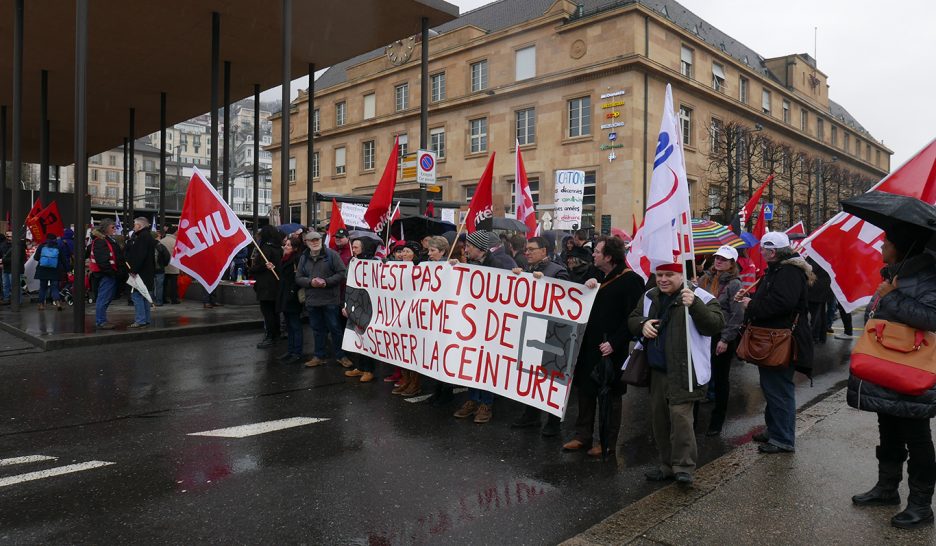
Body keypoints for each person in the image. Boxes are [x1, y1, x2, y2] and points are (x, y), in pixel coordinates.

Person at [847, 229, 936, 529]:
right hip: (887, 364)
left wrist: (892, 296)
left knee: (917, 436)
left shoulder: (927, 276)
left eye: (886, 243)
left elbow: (931, 318)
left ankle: (921, 505)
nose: (881, 247)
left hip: (913, 368)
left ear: (901, 247)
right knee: (888, 429)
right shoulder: (895, 274)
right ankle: (887, 488)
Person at [628, 259, 725, 484]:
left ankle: (684, 467)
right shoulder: (650, 296)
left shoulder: (700, 296)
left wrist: (695, 305)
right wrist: (642, 324)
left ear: (681, 275)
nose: (662, 279)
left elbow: (715, 325)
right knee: (659, 420)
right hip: (657, 370)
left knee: (681, 419)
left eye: (668, 275)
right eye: (659, 275)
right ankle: (666, 465)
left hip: (685, 370)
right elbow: (633, 318)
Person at [562, 237, 644, 455]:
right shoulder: (595, 273)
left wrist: (615, 343)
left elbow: (633, 318)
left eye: (597, 252)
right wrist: (587, 284)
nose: (593, 254)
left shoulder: (631, 281)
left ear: (608, 257)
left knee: (609, 395)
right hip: (588, 345)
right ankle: (582, 436)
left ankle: (606, 441)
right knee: (585, 390)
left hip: (611, 348)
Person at [739, 232, 814, 454]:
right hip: (775, 338)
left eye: (763, 249)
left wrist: (752, 305)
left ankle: (782, 438)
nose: (761, 252)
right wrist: (753, 299)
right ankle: (774, 430)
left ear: (772, 252)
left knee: (778, 389)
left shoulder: (788, 272)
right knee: (772, 388)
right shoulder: (782, 270)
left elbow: (781, 304)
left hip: (780, 339)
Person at [452, 230, 516, 424]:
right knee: (471, 362)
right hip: (471, 323)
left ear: (480, 249)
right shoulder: (470, 265)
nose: (466, 250)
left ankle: (486, 403)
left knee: (486, 364)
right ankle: (473, 399)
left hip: (489, 325)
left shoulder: (497, 266)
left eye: (469, 246)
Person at [511, 236, 570, 437]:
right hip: (532, 329)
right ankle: (531, 415)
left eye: (531, 249)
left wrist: (545, 282)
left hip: (552, 333)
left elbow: (565, 296)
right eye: (526, 249)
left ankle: (553, 421)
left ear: (544, 251)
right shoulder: (527, 271)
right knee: (530, 374)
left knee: (551, 377)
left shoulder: (557, 271)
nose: (527, 253)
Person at [697, 245, 745, 436]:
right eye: (717, 257)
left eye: (724, 259)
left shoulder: (734, 284)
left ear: (732, 263)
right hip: (702, 334)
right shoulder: (704, 278)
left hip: (721, 335)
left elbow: (737, 314)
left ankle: (717, 421)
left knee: (720, 379)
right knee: (699, 375)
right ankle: (694, 419)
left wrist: (725, 339)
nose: (718, 261)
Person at [296, 231, 349, 368]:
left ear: (321, 240)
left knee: (335, 329)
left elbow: (342, 273)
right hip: (312, 300)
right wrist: (310, 282)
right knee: (317, 330)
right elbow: (298, 278)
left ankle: (341, 356)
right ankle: (319, 356)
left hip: (330, 300)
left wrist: (326, 282)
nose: (315, 242)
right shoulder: (303, 257)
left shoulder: (332, 255)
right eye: (311, 240)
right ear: (306, 242)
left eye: (317, 239)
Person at [343, 237, 381, 382]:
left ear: (364, 248)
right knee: (356, 336)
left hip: (368, 306)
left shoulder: (374, 262)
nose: (353, 250)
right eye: (352, 247)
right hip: (355, 304)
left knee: (367, 337)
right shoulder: (353, 262)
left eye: (356, 247)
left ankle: (369, 370)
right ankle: (359, 367)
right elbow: (348, 284)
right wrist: (346, 305)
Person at [391, 239, 424, 396]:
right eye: (402, 251)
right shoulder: (396, 268)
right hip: (400, 314)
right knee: (402, 348)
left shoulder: (421, 268)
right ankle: (406, 380)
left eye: (407, 251)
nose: (403, 254)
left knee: (413, 350)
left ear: (415, 254)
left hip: (414, 316)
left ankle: (415, 383)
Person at [251, 225, 284, 349]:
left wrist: (253, 268)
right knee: (275, 312)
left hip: (266, 286)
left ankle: (270, 336)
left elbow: (258, 267)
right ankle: (276, 334)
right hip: (276, 284)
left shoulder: (265, 248)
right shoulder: (279, 248)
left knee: (268, 313)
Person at [90, 219, 125, 329]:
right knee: (103, 298)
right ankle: (101, 321)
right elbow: (103, 261)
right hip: (106, 274)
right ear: (105, 228)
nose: (115, 229)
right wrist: (112, 272)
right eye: (112, 227)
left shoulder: (106, 240)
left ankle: (101, 320)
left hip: (108, 273)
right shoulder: (101, 241)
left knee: (105, 298)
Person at [276, 236, 305, 364]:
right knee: (289, 325)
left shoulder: (296, 259)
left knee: (295, 325)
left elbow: (298, 278)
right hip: (285, 295)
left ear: (295, 248)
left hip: (292, 297)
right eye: (285, 244)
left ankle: (297, 353)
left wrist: (292, 292)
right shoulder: (285, 258)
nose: (285, 247)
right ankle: (290, 350)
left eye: (288, 245)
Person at [125, 217, 157, 328]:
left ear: (139, 226)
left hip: (140, 273)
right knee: (145, 296)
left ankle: (140, 320)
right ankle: (145, 319)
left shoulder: (142, 237)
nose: (134, 226)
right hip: (147, 272)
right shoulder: (148, 236)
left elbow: (139, 256)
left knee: (137, 295)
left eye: (135, 224)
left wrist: (133, 270)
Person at [33, 233, 66, 310]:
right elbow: (63, 260)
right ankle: (58, 303)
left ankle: (41, 305)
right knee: (54, 287)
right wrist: (67, 269)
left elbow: (36, 257)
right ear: (55, 239)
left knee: (43, 288)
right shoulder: (58, 247)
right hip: (55, 270)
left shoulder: (41, 246)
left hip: (43, 270)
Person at [806, 256, 833, 344]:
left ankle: (815, 336)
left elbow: (811, 268)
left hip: (816, 288)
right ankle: (821, 336)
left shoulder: (815, 255)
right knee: (821, 314)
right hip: (823, 286)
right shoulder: (825, 254)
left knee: (816, 314)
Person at [161, 226, 181, 304]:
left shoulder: (162, 241)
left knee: (164, 284)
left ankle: (163, 298)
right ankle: (174, 299)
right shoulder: (176, 242)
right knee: (173, 284)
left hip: (164, 265)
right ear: (175, 232)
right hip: (173, 266)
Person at [153, 230, 171, 306]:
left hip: (149, 270)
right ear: (157, 237)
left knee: (150, 286)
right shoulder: (161, 246)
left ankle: (150, 302)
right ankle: (159, 301)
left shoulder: (147, 245)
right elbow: (167, 256)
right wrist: (163, 264)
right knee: (159, 286)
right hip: (160, 269)